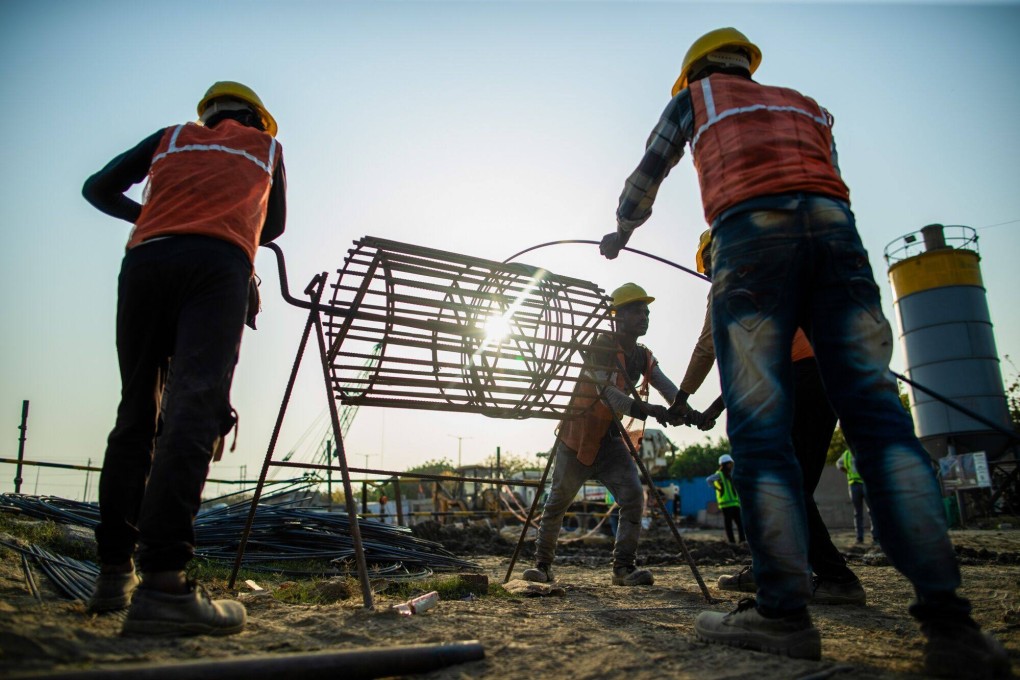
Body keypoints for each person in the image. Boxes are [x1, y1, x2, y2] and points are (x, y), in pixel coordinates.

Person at [600, 27, 1008, 676]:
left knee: (762, 442)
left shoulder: (697, 99)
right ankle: (950, 622)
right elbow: (828, 181)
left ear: (696, 72)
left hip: (749, 233)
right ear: (749, 65)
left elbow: (649, 172)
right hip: (837, 234)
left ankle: (783, 613)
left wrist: (621, 229)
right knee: (882, 428)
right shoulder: (807, 105)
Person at [82, 81, 286, 637]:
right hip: (215, 267)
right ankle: (164, 585)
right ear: (256, 119)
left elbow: (96, 189)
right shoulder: (268, 149)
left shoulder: (169, 138)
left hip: (147, 261)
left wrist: (153, 217)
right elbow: (274, 225)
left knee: (135, 414)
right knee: (193, 409)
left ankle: (111, 576)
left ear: (209, 114)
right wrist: (218, 229)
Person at [681, 231, 866, 604]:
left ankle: (834, 578)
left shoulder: (732, 280)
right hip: (829, 376)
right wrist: (714, 410)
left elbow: (708, 346)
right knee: (791, 485)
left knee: (780, 484)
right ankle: (772, 568)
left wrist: (681, 398)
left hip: (802, 377)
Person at [521, 283, 680, 587]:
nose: (644, 316)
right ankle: (543, 565)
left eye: (646, 311)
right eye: (636, 310)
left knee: (633, 497)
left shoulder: (642, 356)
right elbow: (609, 396)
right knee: (557, 502)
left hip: (609, 441)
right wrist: (651, 411)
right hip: (576, 439)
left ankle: (623, 569)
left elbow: (667, 387)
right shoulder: (601, 346)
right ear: (617, 316)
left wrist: (687, 409)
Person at [837, 449, 877, 544]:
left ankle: (876, 537)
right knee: (858, 512)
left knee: (872, 511)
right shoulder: (846, 454)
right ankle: (860, 537)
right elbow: (839, 464)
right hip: (853, 484)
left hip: (866, 483)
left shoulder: (865, 449)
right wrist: (848, 472)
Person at [706, 454, 743, 544]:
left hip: (735, 503)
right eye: (729, 463)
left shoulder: (731, 475)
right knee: (728, 524)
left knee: (740, 523)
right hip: (725, 504)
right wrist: (717, 488)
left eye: (731, 463)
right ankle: (732, 542)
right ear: (724, 464)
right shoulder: (719, 475)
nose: (731, 465)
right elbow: (709, 480)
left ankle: (742, 541)